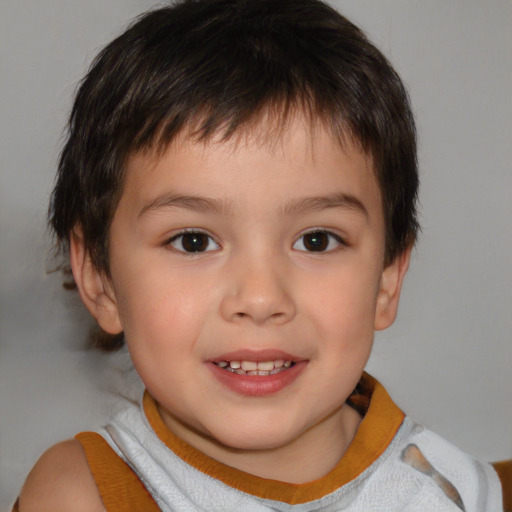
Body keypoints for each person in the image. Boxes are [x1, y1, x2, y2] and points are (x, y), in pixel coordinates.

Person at [15, 0, 504, 510]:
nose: (261, 297)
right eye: (193, 241)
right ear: (100, 279)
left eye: (316, 240)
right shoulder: (83, 495)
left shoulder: (458, 493)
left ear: (387, 278)